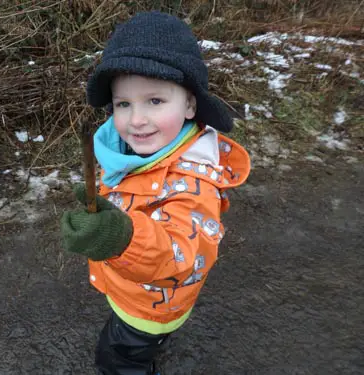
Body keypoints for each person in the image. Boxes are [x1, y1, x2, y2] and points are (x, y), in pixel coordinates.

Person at [60, 11, 251, 375]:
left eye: (155, 101)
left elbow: (183, 253)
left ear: (190, 105)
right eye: (123, 104)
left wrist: (120, 237)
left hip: (148, 308)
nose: (136, 120)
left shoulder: (195, 181)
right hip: (132, 288)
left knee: (117, 360)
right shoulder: (135, 151)